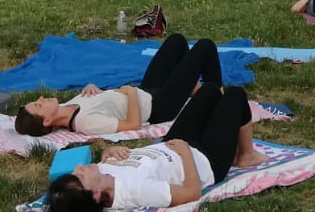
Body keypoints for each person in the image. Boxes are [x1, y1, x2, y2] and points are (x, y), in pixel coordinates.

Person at [44, 84, 270, 212]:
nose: (79, 168)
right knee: (235, 96)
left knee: (210, 90)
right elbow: (191, 193)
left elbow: (110, 159)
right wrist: (185, 153)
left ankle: (224, 131)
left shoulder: (101, 173)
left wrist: (112, 149)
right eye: (79, 177)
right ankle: (245, 155)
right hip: (205, 160)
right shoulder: (137, 191)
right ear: (95, 194)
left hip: (171, 144)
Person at [14, 35, 222, 137]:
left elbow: (100, 102)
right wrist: (130, 95)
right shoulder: (85, 123)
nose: (41, 99)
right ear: (48, 121)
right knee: (205, 47)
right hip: (159, 106)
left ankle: (192, 87)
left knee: (176, 42)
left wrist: (91, 87)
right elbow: (132, 125)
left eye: (37, 101)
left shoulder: (67, 106)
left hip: (146, 91)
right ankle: (216, 98)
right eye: (39, 105)